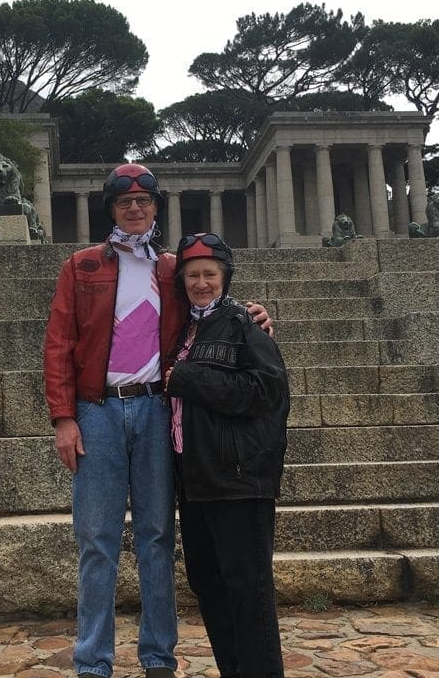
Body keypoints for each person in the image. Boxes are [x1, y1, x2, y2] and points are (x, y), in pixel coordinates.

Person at [43, 163, 270, 678]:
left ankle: (158, 657)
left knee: (157, 537)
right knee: (96, 539)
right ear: (113, 208)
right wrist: (62, 418)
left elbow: (208, 299)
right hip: (95, 411)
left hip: (156, 409)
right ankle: (93, 660)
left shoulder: (171, 269)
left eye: (145, 200)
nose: (136, 208)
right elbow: (58, 344)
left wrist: (251, 317)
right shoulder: (80, 267)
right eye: (126, 202)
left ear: (155, 208)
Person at [164, 232, 290, 678]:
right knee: (209, 584)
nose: (201, 283)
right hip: (195, 480)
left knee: (248, 590)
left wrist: (189, 379)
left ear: (225, 277)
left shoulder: (244, 323)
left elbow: (267, 391)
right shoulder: (182, 327)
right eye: (193, 275)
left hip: (238, 479)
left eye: (209, 275)